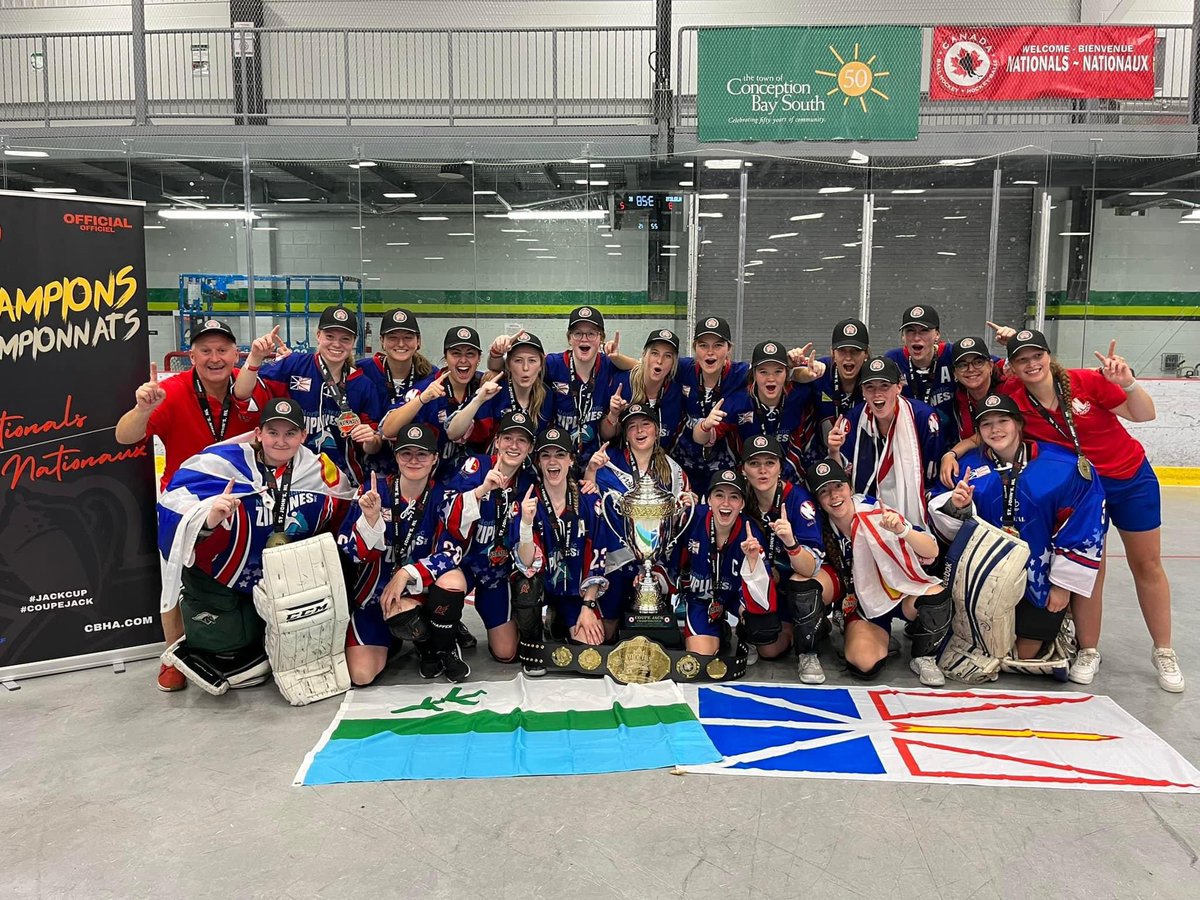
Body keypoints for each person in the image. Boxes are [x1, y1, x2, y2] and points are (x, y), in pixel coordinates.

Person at [999, 329, 1183, 692]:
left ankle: (1164, 650)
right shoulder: (1015, 400)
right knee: (1088, 569)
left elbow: (1144, 414)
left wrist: (1128, 384)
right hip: (1082, 493)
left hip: (1129, 479)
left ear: (1049, 356)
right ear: (1013, 367)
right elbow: (990, 426)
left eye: (1037, 356)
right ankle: (1089, 649)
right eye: (1022, 360)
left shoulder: (1085, 382)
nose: (1032, 364)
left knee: (1147, 564)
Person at [115, 318, 275, 692]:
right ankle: (172, 655)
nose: (214, 358)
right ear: (192, 356)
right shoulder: (171, 391)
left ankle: (250, 646)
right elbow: (124, 436)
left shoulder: (252, 388)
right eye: (205, 350)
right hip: (186, 504)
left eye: (222, 350)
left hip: (241, 503)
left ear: (236, 354)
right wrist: (142, 409)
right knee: (174, 577)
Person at [155, 398, 357, 694]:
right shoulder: (220, 463)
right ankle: (179, 655)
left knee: (277, 652)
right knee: (227, 652)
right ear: (259, 433)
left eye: (290, 433)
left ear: (303, 436)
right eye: (273, 432)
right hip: (225, 574)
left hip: (284, 578)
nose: (281, 441)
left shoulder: (318, 468)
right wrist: (209, 519)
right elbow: (173, 507)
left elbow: (346, 504)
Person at [928, 394, 1105, 678]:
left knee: (1024, 654)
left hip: (1040, 579)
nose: (995, 429)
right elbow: (941, 519)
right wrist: (957, 506)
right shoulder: (968, 468)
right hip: (987, 581)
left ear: (1019, 424)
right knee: (992, 650)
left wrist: (1063, 585)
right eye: (987, 424)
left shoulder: (1062, 467)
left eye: (1003, 421)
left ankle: (1059, 627)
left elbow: (1083, 525)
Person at [337, 423, 468, 685]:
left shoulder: (445, 497)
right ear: (396, 456)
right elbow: (350, 552)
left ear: (434, 458)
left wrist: (406, 573)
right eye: (406, 453)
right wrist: (370, 521)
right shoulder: (372, 491)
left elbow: (452, 553)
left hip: (419, 594)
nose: (414, 460)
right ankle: (398, 637)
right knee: (361, 676)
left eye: (422, 454)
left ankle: (436, 644)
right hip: (375, 597)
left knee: (454, 580)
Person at [807, 458, 951, 687]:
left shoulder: (875, 512)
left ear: (850, 487)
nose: (833, 495)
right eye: (824, 491)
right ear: (818, 499)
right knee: (863, 663)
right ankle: (877, 637)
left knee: (936, 595)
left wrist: (902, 531)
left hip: (901, 594)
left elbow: (931, 550)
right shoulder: (820, 525)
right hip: (864, 605)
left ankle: (924, 656)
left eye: (838, 486)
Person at [236, 306, 385, 487]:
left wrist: (370, 439)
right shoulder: (293, 365)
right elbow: (242, 394)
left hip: (341, 481)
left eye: (345, 339)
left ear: (354, 341)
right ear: (318, 335)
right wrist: (254, 357)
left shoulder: (362, 384)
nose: (336, 344)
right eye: (330, 336)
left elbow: (373, 446)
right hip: (292, 476)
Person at [440, 410, 540, 664]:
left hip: (496, 573)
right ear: (497, 441)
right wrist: (482, 489)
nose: (514, 446)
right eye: (508, 438)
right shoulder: (476, 465)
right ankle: (439, 642)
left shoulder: (528, 482)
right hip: (463, 563)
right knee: (449, 588)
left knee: (506, 653)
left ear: (530, 448)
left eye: (522, 440)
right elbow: (448, 513)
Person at [512, 427, 612, 675]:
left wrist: (587, 607)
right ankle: (533, 644)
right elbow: (526, 563)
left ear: (571, 460)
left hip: (575, 594)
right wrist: (526, 524)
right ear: (538, 462)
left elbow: (598, 558)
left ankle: (558, 620)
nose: (553, 461)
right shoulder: (528, 500)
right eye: (546, 455)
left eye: (560, 454)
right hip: (540, 588)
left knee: (591, 653)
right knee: (526, 585)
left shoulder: (589, 500)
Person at [740, 435, 830, 683]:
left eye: (770, 463)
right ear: (744, 469)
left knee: (802, 583)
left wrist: (791, 542)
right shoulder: (740, 499)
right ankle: (803, 627)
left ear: (781, 467)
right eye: (754, 463)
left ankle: (808, 653)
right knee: (770, 650)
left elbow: (810, 568)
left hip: (804, 579)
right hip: (772, 584)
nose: (762, 470)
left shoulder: (798, 501)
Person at [586, 403, 694, 609]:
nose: (639, 431)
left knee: (651, 619)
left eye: (646, 424)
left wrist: (687, 506)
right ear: (625, 435)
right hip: (614, 562)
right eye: (632, 426)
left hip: (657, 564)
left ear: (657, 430)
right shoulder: (608, 462)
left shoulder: (672, 471)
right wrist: (591, 471)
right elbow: (591, 504)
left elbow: (679, 519)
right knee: (609, 624)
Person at [825, 356, 944, 527]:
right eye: (870, 387)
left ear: (899, 388)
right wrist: (834, 450)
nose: (877, 393)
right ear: (862, 391)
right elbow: (841, 478)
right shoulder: (853, 419)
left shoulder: (923, 417)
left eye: (885, 386)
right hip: (868, 506)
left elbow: (932, 473)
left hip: (917, 500)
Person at [679, 468, 777, 662]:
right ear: (709, 499)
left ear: (742, 504)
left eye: (734, 497)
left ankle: (745, 633)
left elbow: (764, 597)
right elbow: (672, 559)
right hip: (702, 599)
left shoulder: (751, 534)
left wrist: (754, 562)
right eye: (719, 495)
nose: (725, 503)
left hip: (735, 598)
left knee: (766, 636)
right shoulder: (691, 519)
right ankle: (718, 629)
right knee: (700, 658)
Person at [379, 325, 488, 478]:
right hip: (426, 480)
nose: (463, 360)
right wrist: (422, 399)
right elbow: (387, 430)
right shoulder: (428, 388)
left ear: (479, 358)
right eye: (456, 353)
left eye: (470, 354)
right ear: (446, 357)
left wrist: (496, 357)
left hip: (471, 479)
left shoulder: (485, 386)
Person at [536, 306, 625, 466]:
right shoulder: (553, 364)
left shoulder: (609, 366)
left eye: (591, 333)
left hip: (596, 459)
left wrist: (618, 357)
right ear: (569, 338)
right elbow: (517, 368)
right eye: (578, 333)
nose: (584, 339)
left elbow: (643, 369)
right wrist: (496, 356)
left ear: (601, 339)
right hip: (557, 459)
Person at [720, 340, 819, 484]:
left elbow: (815, 376)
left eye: (778, 371)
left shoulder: (800, 395)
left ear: (787, 374)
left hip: (791, 480)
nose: (771, 378)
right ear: (754, 374)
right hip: (748, 481)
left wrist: (816, 368)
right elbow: (707, 438)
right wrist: (705, 427)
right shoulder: (737, 403)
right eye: (763, 372)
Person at [355, 307, 434, 476]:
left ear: (418, 341)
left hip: (418, 467)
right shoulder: (362, 371)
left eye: (408, 337)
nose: (401, 344)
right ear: (382, 341)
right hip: (373, 470)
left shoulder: (432, 376)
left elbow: (467, 377)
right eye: (393, 337)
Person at [447, 331, 558, 445]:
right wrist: (478, 400)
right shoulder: (494, 391)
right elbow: (453, 434)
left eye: (532, 360)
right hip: (490, 456)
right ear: (508, 365)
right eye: (518, 360)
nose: (525, 368)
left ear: (541, 365)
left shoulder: (546, 395)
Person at [680, 315, 751, 492]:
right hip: (684, 463)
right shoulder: (683, 368)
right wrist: (616, 356)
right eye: (703, 345)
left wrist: (794, 366)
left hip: (724, 468)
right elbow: (645, 367)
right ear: (694, 348)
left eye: (718, 345)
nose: (710, 352)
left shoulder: (741, 373)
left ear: (729, 349)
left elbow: (773, 372)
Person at [600, 328, 684, 451]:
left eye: (668, 356)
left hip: (661, 459)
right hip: (622, 459)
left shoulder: (676, 391)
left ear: (674, 363)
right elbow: (605, 435)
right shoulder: (622, 383)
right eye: (654, 353)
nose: (660, 361)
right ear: (644, 355)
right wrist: (613, 415)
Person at [884, 304, 956, 431]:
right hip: (910, 438)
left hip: (952, 441)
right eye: (910, 331)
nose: (917, 338)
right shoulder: (893, 360)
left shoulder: (952, 354)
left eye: (924, 330)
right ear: (903, 336)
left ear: (937, 334)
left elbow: (987, 365)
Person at [807, 317, 869, 458]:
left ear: (865, 353)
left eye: (855, 351)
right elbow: (789, 375)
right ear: (833, 353)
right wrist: (797, 368)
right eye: (842, 351)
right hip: (821, 459)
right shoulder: (821, 371)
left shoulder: (873, 378)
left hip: (861, 459)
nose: (848, 357)